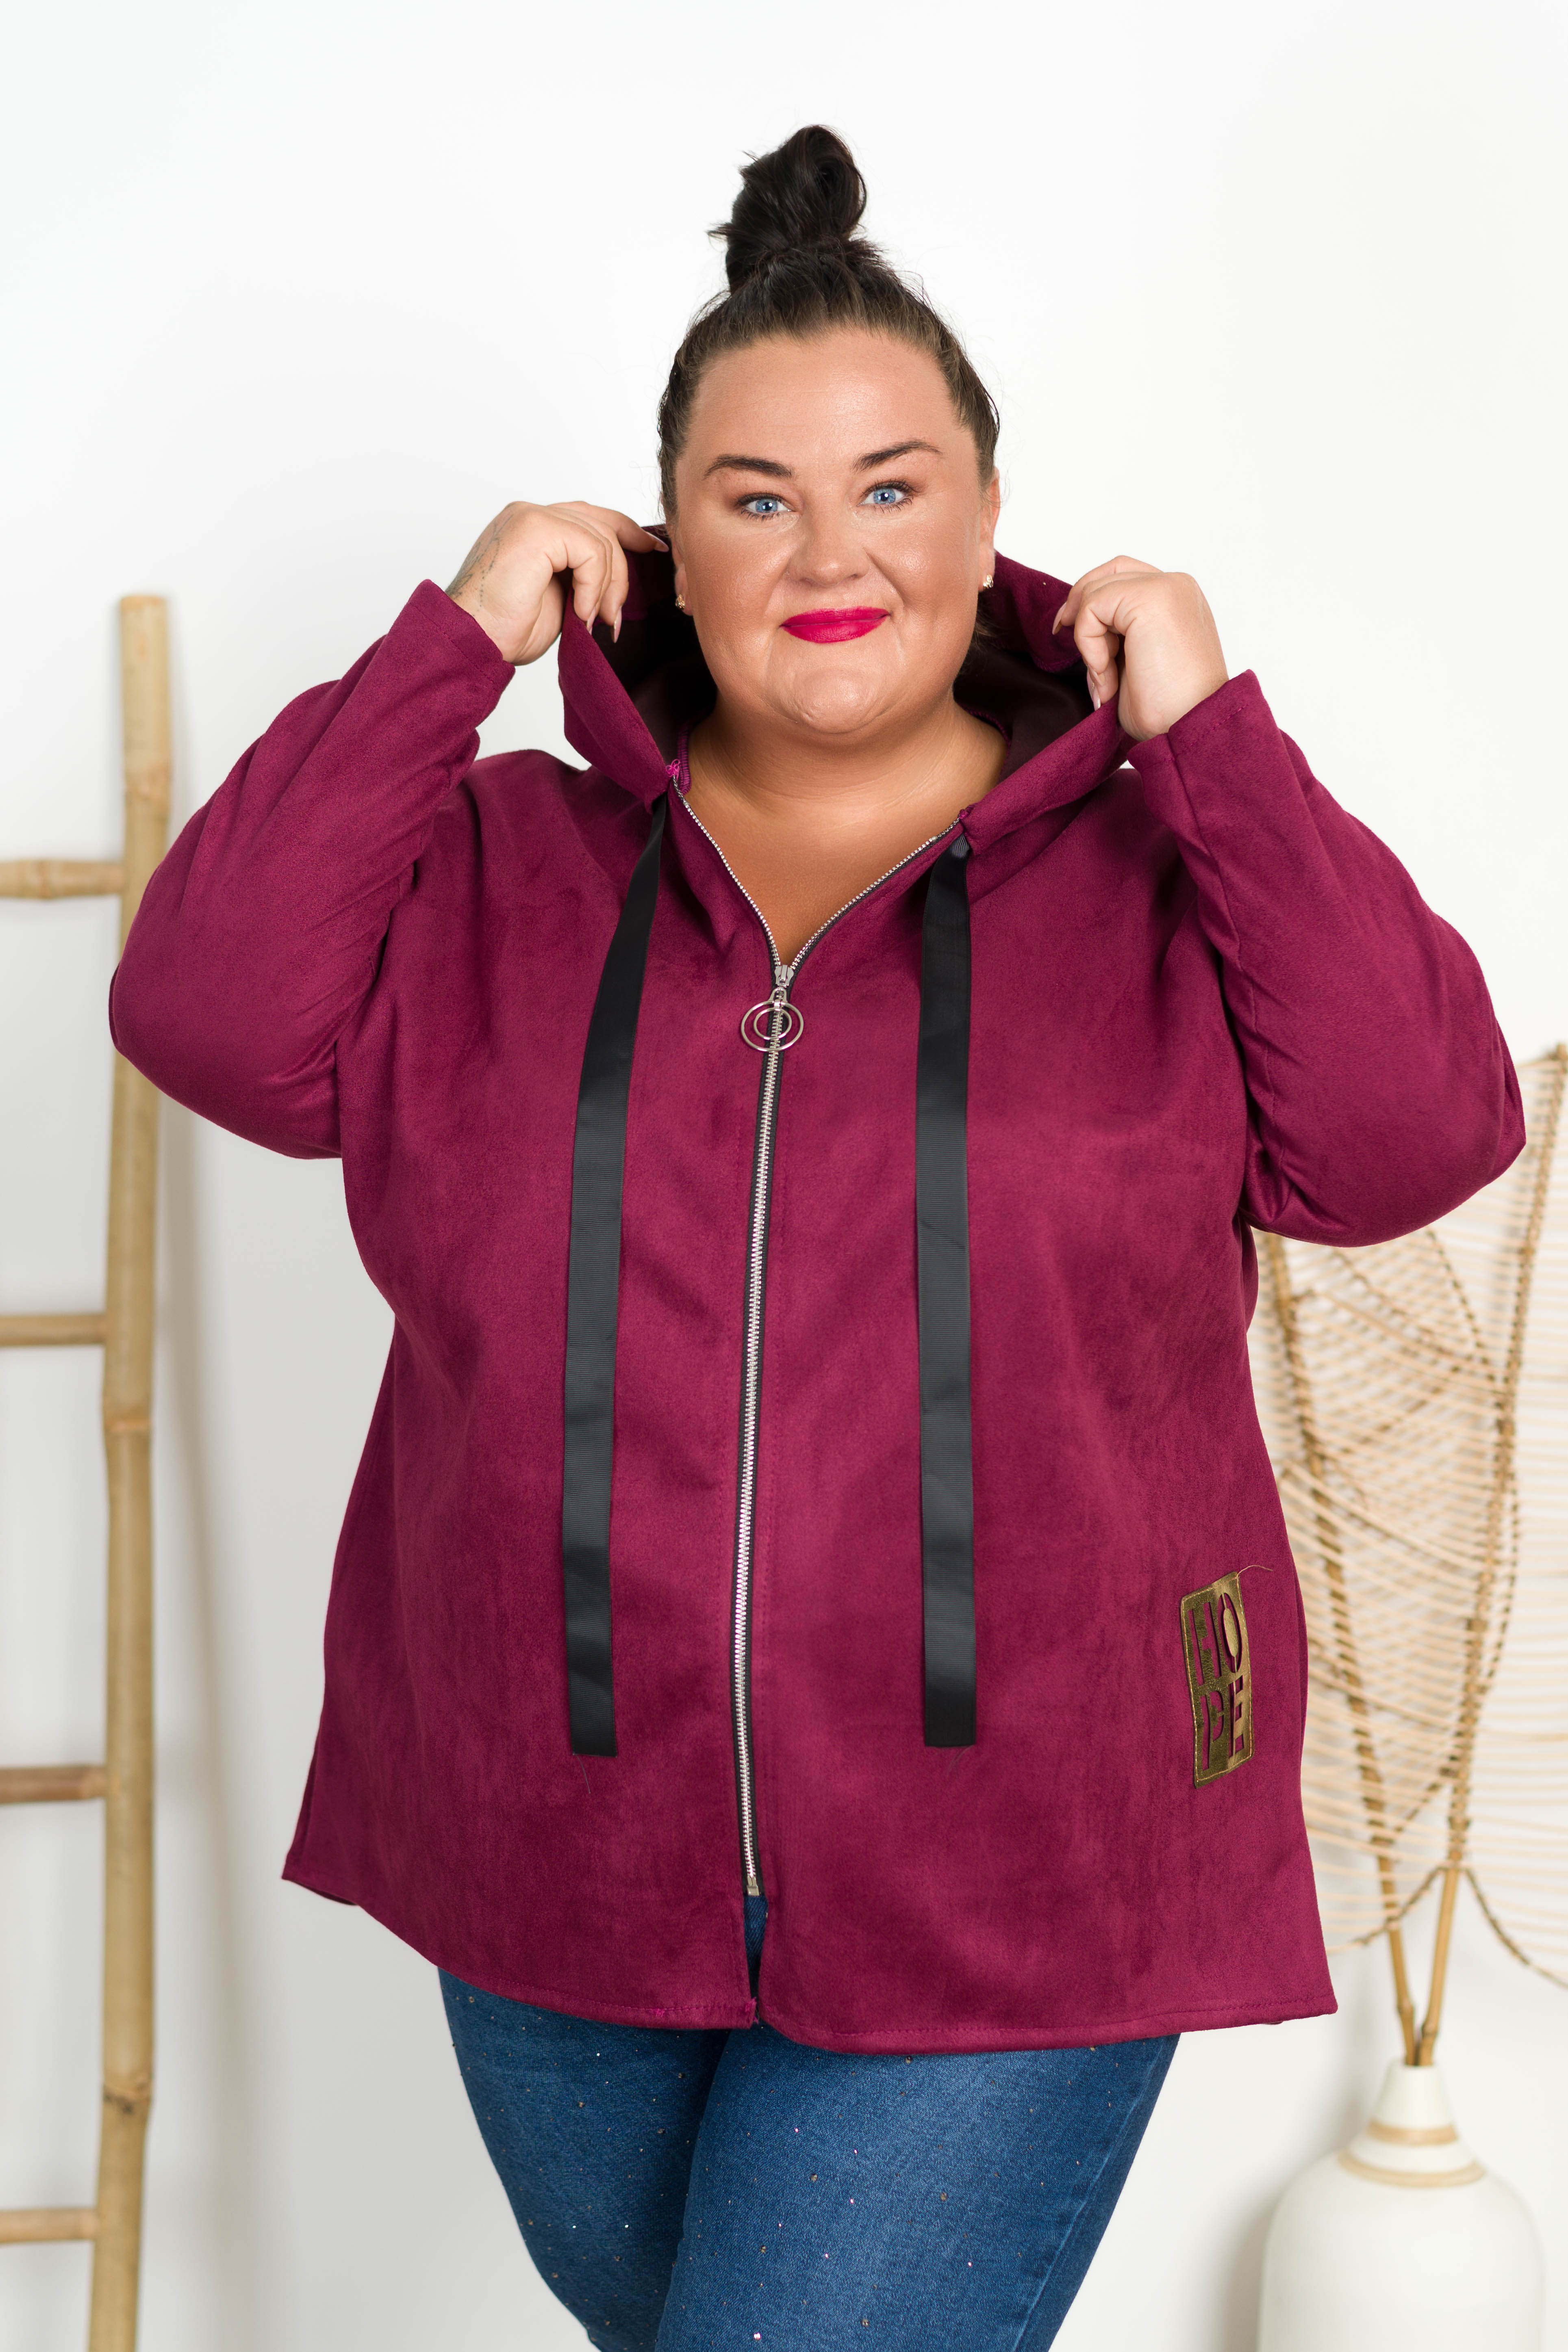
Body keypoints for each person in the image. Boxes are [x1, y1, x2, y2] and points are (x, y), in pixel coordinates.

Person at [110, 124, 1522, 2351]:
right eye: (756, 498)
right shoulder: (494, 862)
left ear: (991, 520)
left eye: (891, 483)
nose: (830, 549)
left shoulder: (1163, 872)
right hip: (550, 1847)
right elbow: (208, 1018)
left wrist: (1216, 744)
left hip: (1032, 1868)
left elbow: (1407, 1137)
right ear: (664, 549)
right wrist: (450, 643)